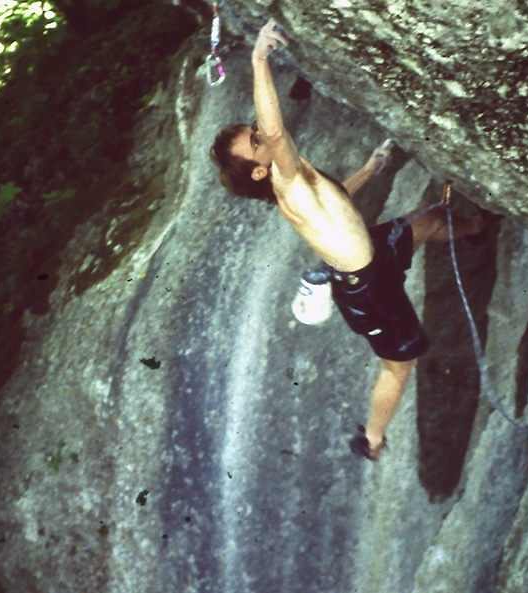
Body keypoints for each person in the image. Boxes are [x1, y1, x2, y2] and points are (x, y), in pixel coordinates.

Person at [209, 20, 489, 460]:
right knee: (398, 367)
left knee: (432, 217)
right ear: (260, 170)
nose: (262, 134)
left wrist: (369, 170)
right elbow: (276, 131)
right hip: (367, 289)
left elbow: (333, 196)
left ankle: (476, 230)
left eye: (254, 132)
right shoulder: (285, 181)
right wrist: (259, 59)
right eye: (255, 141)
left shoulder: (296, 179)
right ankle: (373, 439)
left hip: (373, 254)